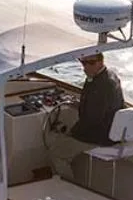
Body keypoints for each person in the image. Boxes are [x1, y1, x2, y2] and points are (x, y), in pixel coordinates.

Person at [46, 52, 124, 181]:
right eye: (83, 62)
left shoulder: (100, 86)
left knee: (55, 152)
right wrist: (78, 104)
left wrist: (72, 133)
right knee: (63, 143)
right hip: (110, 132)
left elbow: (92, 119)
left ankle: (68, 188)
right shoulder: (110, 76)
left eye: (91, 63)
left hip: (98, 136)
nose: (85, 67)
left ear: (100, 62)